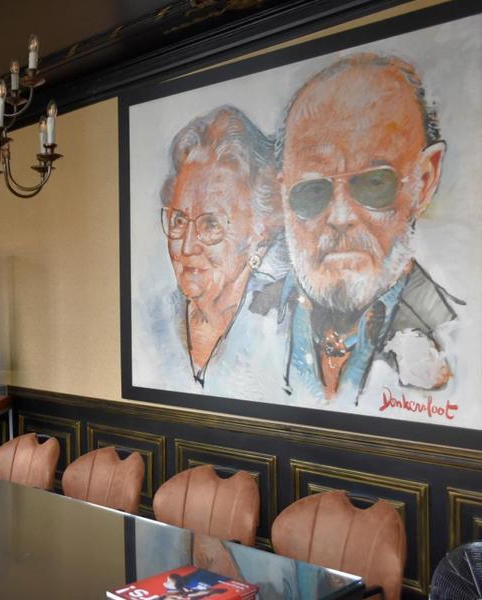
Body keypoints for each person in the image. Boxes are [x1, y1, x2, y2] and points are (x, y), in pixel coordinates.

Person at [236, 53, 462, 406]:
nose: (340, 216)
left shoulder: (459, 341)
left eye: (374, 183)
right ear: (283, 195)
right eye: (313, 190)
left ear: (425, 180)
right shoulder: (245, 318)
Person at [160, 106, 284, 385]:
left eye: (211, 224)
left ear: (259, 234)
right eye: (178, 220)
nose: (187, 247)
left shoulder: (279, 328)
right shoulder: (154, 318)